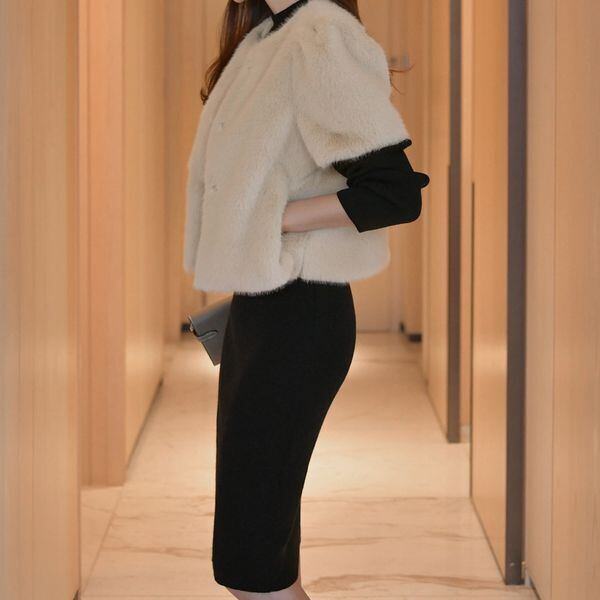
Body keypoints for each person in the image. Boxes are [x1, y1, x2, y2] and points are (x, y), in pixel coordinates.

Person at [183, 1, 430, 598]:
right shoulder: (264, 41)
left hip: (298, 321)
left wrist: (272, 219)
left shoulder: (320, 37)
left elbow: (393, 192)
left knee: (250, 562)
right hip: (258, 314)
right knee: (264, 553)